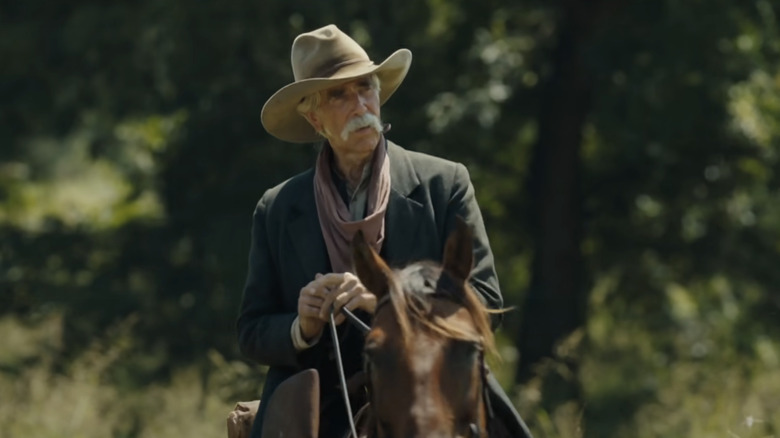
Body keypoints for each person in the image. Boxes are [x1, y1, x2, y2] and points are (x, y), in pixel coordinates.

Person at [237, 24, 532, 438]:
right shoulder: (277, 208)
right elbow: (251, 331)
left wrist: (386, 305)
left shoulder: (444, 183)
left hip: (431, 393)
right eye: (339, 94)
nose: (359, 104)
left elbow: (483, 299)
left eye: (365, 87)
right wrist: (301, 326)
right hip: (319, 406)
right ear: (313, 116)